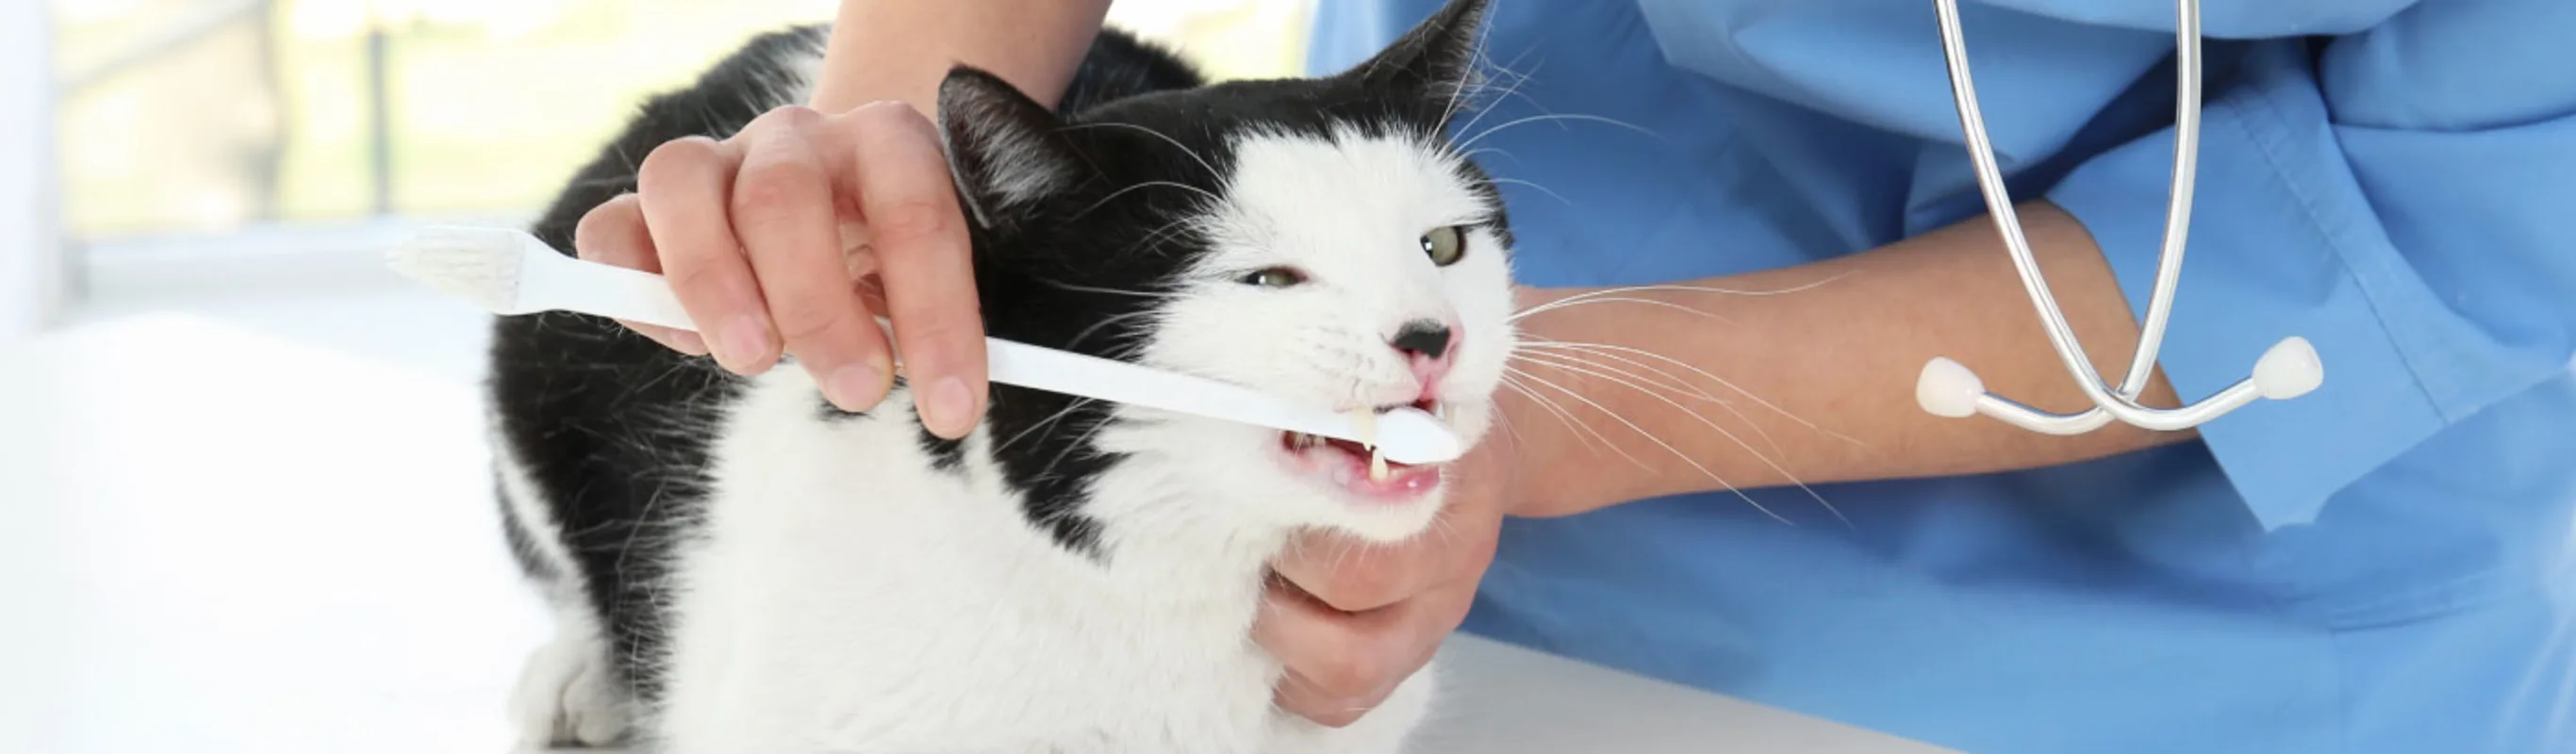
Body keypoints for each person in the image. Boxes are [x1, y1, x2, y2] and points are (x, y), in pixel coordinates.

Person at [573, 0, 2576, 750]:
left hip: (2226, 627)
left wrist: (1507, 422)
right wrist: (897, 126)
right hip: (1420, 555)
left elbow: (2446, 203)